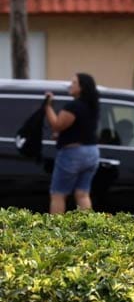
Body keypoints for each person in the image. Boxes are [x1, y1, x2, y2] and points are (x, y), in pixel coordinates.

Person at [45, 73, 100, 214]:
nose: (70, 85)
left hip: (73, 153)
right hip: (92, 152)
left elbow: (57, 125)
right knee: (82, 194)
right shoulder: (92, 106)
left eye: (74, 83)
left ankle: (55, 231)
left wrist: (48, 106)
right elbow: (79, 128)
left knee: (58, 194)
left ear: (82, 87)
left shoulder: (74, 106)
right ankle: (88, 228)